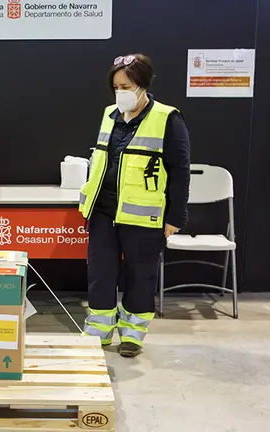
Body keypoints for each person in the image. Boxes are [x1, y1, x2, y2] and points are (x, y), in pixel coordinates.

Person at [79, 54, 191, 358]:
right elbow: (100, 160)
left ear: (142, 85)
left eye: (125, 86)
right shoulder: (109, 114)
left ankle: (132, 335)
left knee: (140, 275)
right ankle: (99, 332)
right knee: (100, 273)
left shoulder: (168, 118)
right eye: (115, 87)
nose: (120, 93)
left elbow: (180, 171)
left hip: (144, 214)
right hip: (103, 210)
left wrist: (175, 216)